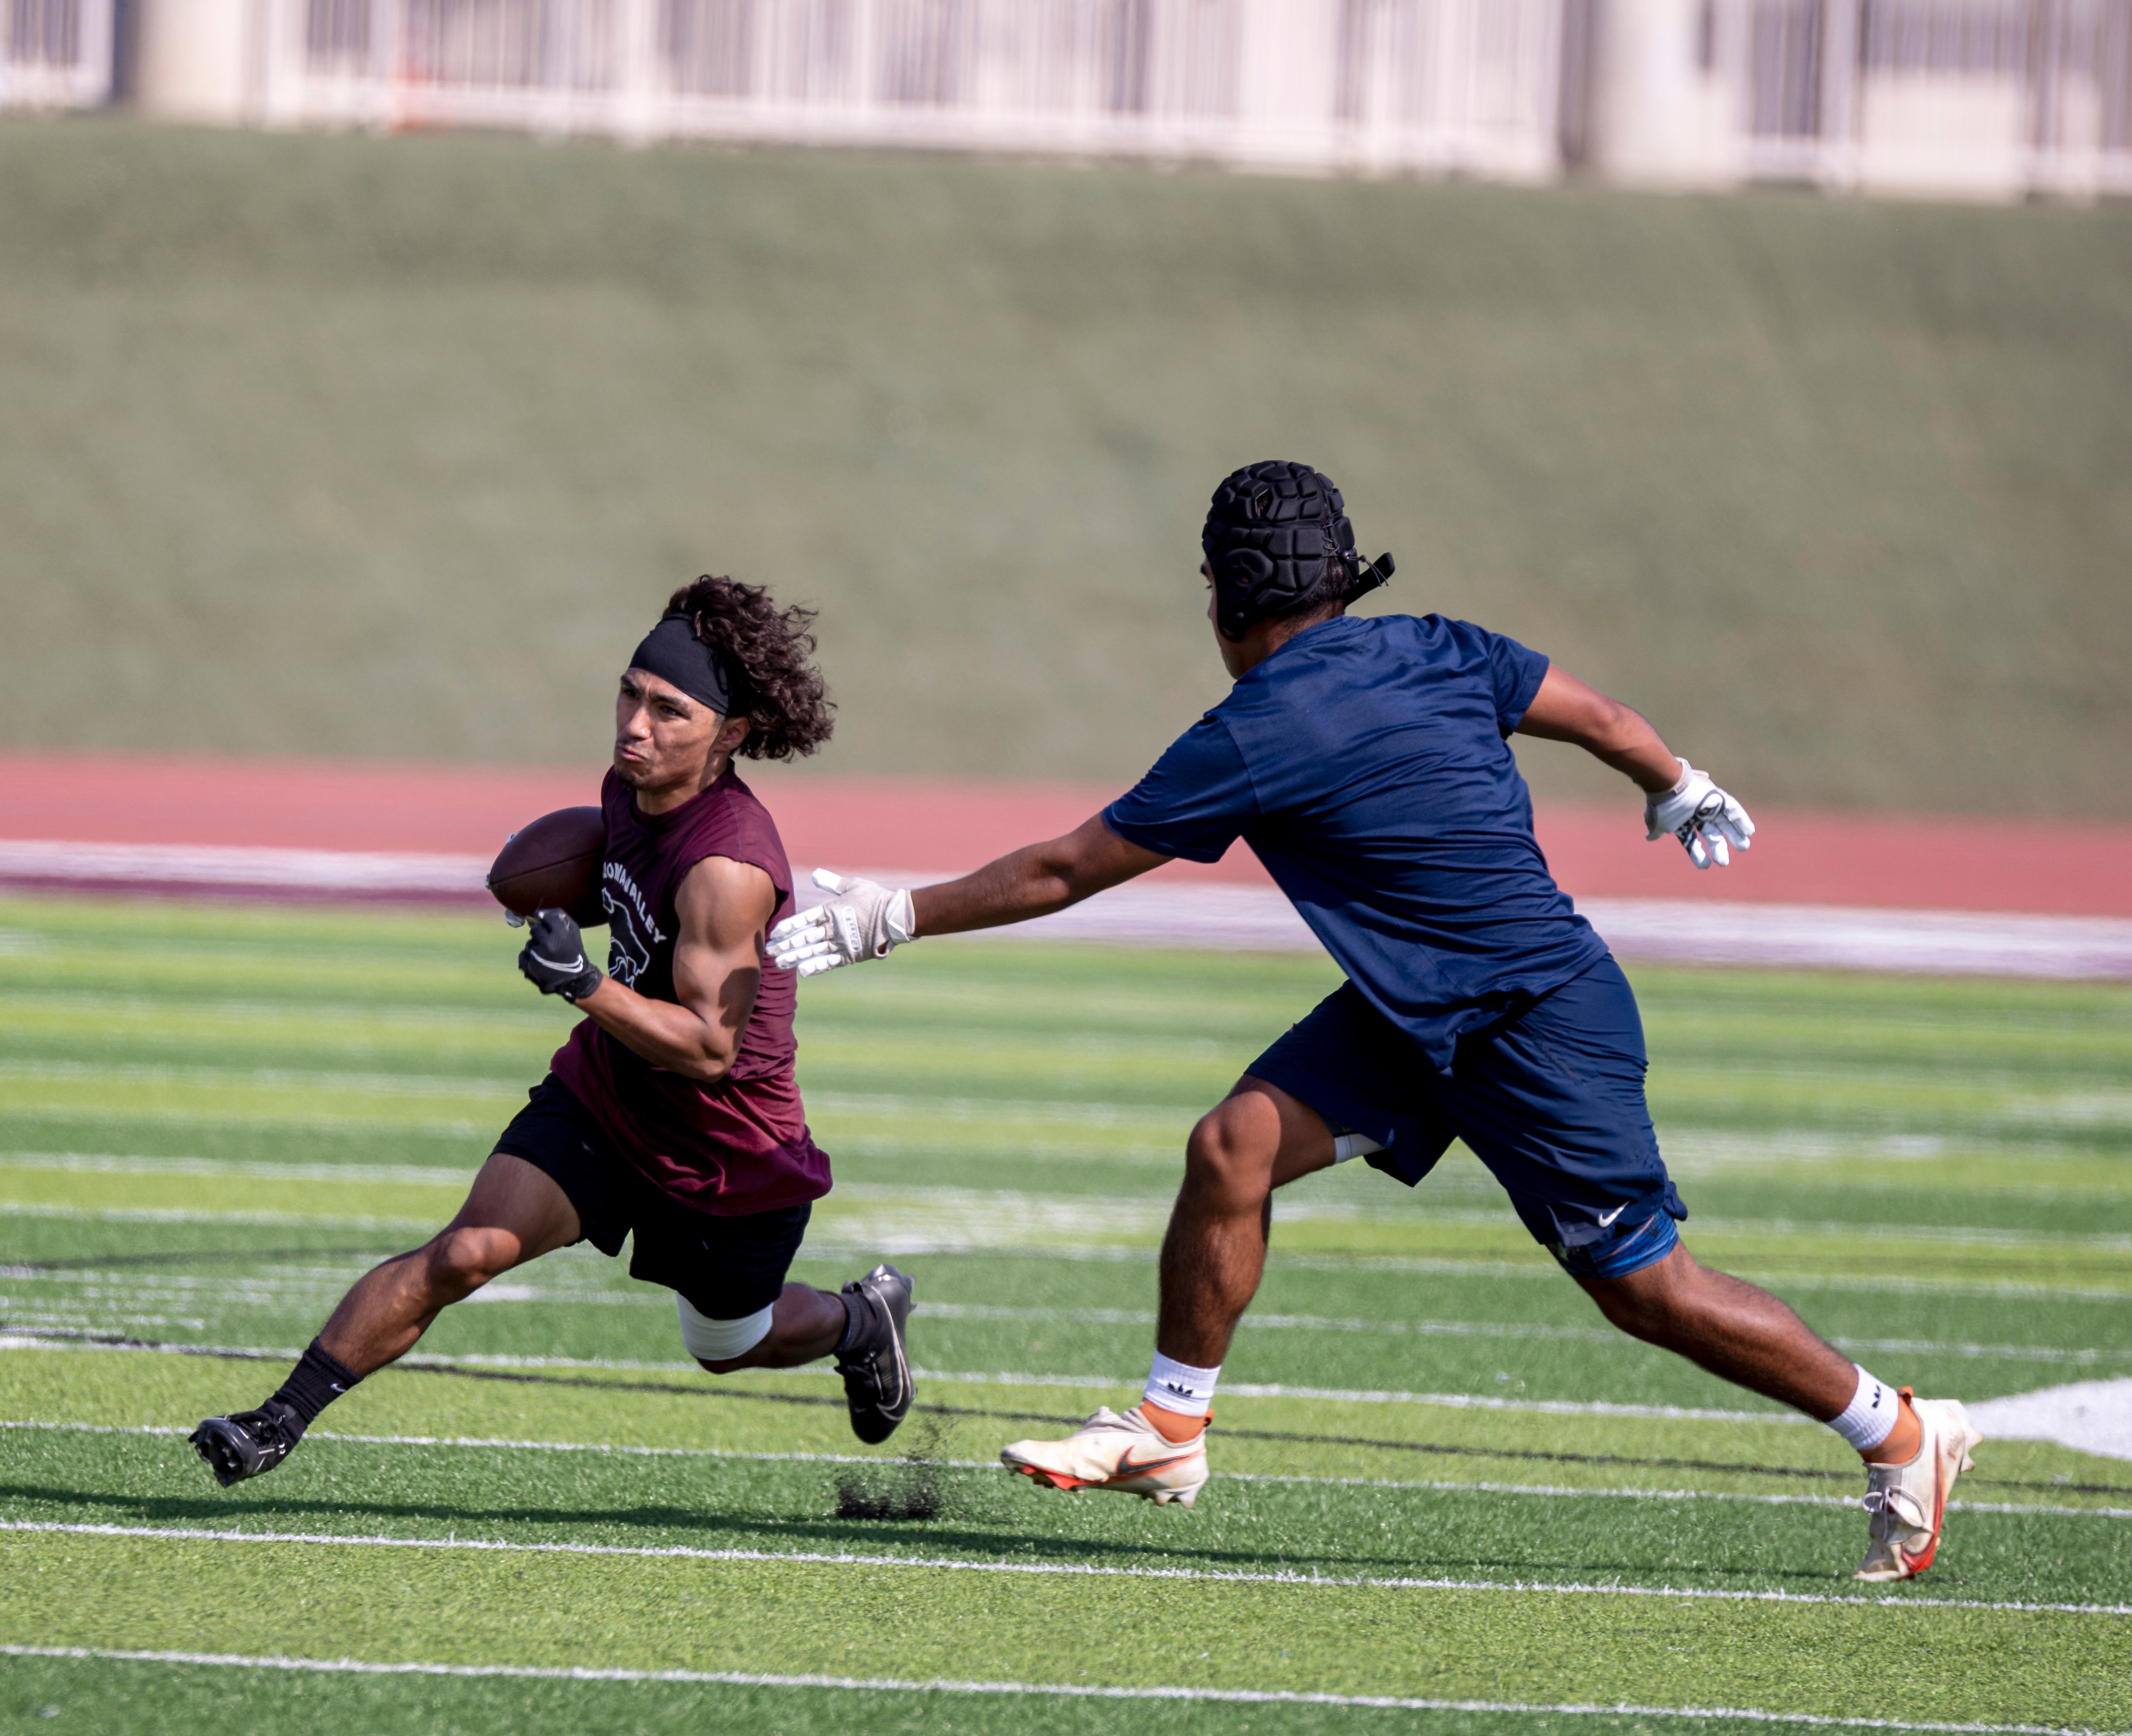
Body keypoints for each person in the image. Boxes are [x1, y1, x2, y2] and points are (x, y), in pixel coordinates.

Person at [767, 462, 1979, 1583]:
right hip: (1418, 1013)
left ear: (1229, 592)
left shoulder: (1256, 726)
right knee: (1233, 1145)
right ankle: (1171, 1426)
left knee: (1646, 1287)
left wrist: (892, 915)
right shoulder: (1437, 645)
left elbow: (1064, 871)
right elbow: (1603, 716)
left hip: (1530, 1021)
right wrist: (1678, 782)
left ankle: (1901, 1430)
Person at [191, 577, 915, 1488]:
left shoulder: (727, 865)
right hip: (609, 1099)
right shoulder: (629, 787)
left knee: (729, 1344)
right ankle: (275, 1420)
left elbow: (708, 1047)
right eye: (631, 694)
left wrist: (583, 981)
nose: (635, 726)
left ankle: (860, 1322)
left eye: (669, 710)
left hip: (731, 1150)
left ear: (731, 736)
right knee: (464, 1251)